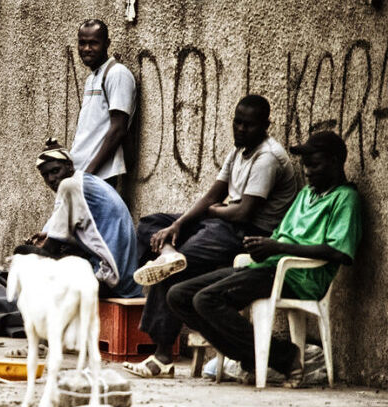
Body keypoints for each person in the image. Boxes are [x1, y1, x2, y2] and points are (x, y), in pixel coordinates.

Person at [167, 131, 362, 387]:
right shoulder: (307, 194)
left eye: (315, 165)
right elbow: (281, 235)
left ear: (336, 162)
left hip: (300, 276)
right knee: (179, 295)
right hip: (271, 268)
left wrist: (276, 247)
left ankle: (283, 356)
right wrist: (261, 247)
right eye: (306, 165)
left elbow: (339, 253)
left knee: (206, 299)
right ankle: (252, 357)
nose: (308, 171)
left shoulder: (345, 198)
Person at [123, 95, 297, 378]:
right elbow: (213, 195)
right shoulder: (239, 150)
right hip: (222, 222)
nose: (240, 129)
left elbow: (243, 213)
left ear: (266, 125)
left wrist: (214, 212)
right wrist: (176, 226)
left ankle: (162, 356)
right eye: (237, 122)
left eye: (249, 125)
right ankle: (169, 253)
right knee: (152, 224)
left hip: (248, 233)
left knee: (173, 272)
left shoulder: (267, 157)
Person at [28, 138, 141, 299]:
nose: (51, 179)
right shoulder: (89, 181)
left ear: (69, 166)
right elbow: (96, 239)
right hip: (128, 278)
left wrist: (27, 257)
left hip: (111, 278)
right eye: (45, 175)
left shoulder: (69, 186)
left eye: (55, 171)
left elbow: (50, 249)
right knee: (65, 254)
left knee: (34, 264)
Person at [70, 19, 136, 187]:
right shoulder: (92, 78)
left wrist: (89, 174)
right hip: (81, 173)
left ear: (107, 43)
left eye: (93, 43)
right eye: (82, 43)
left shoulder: (117, 73)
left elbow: (118, 129)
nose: (86, 49)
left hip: (99, 176)